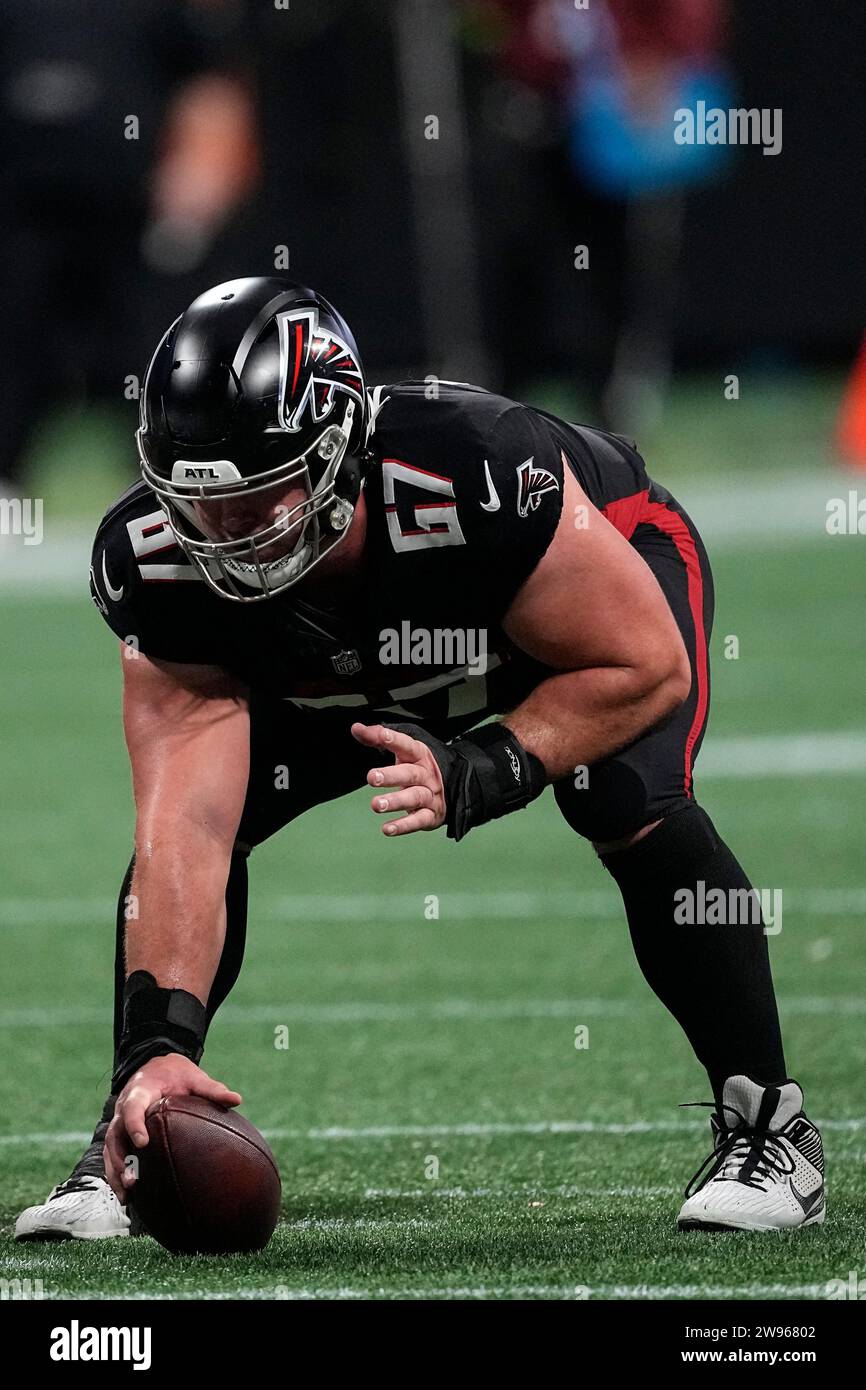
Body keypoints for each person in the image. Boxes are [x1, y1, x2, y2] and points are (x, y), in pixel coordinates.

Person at [16, 276, 824, 1241]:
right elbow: (183, 824)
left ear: (340, 450)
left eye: (259, 494)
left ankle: (773, 1126)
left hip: (557, 627)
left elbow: (645, 666)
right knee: (198, 829)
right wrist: (153, 1048)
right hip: (341, 662)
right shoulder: (156, 563)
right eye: (205, 502)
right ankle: (134, 1120)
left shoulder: (476, 469)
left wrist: (489, 766)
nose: (229, 536)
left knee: (624, 797)